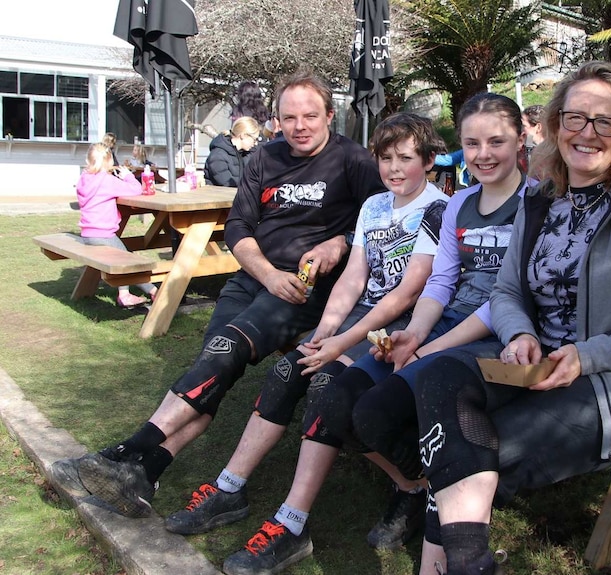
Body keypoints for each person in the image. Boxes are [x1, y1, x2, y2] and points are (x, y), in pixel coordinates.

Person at [410, 61, 611, 575]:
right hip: (536, 364)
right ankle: (470, 563)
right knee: (435, 377)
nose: (586, 133)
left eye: (605, 122)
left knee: (475, 447)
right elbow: (506, 292)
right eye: (575, 118)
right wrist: (521, 332)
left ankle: (449, 563)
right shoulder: (540, 198)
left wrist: (587, 355)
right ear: (554, 126)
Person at [47, 69, 387, 519]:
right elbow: (240, 228)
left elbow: (381, 220)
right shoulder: (264, 157)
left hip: (304, 290)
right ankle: (143, 477)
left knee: (223, 352)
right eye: (289, 117)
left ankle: (125, 453)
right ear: (275, 120)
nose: (299, 126)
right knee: (212, 366)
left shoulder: (354, 161)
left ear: (329, 114)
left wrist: (339, 242)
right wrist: (264, 273)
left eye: (310, 116)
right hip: (255, 279)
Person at [215, 92, 532, 575]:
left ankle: (395, 505)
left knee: (338, 394)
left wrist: (420, 344)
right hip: (430, 323)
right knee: (332, 396)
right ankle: (254, 495)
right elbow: (438, 283)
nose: (483, 153)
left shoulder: (512, 204)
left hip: (485, 335)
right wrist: (328, 333)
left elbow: (496, 294)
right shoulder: (456, 203)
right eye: (473, 143)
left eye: (496, 141)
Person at [166, 112, 449, 575]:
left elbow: (408, 292)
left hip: (403, 325)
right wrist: (322, 335)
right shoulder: (375, 205)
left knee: (326, 388)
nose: (394, 168)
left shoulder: (438, 208)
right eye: (385, 158)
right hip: (361, 318)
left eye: (406, 158)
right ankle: (228, 488)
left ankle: (293, 523)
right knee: (288, 369)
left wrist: (343, 343)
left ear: (429, 161)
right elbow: (353, 279)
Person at [75, 142, 158, 308]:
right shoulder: (107, 181)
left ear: (88, 159)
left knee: (124, 255)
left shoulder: (84, 179)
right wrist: (127, 176)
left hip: (87, 234)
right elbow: (135, 189)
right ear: (110, 161)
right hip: (104, 234)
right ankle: (149, 292)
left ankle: (131, 292)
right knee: (128, 259)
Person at [204, 116, 262, 187]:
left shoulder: (245, 153)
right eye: (254, 139)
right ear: (243, 135)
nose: (255, 143)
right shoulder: (217, 156)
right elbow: (227, 183)